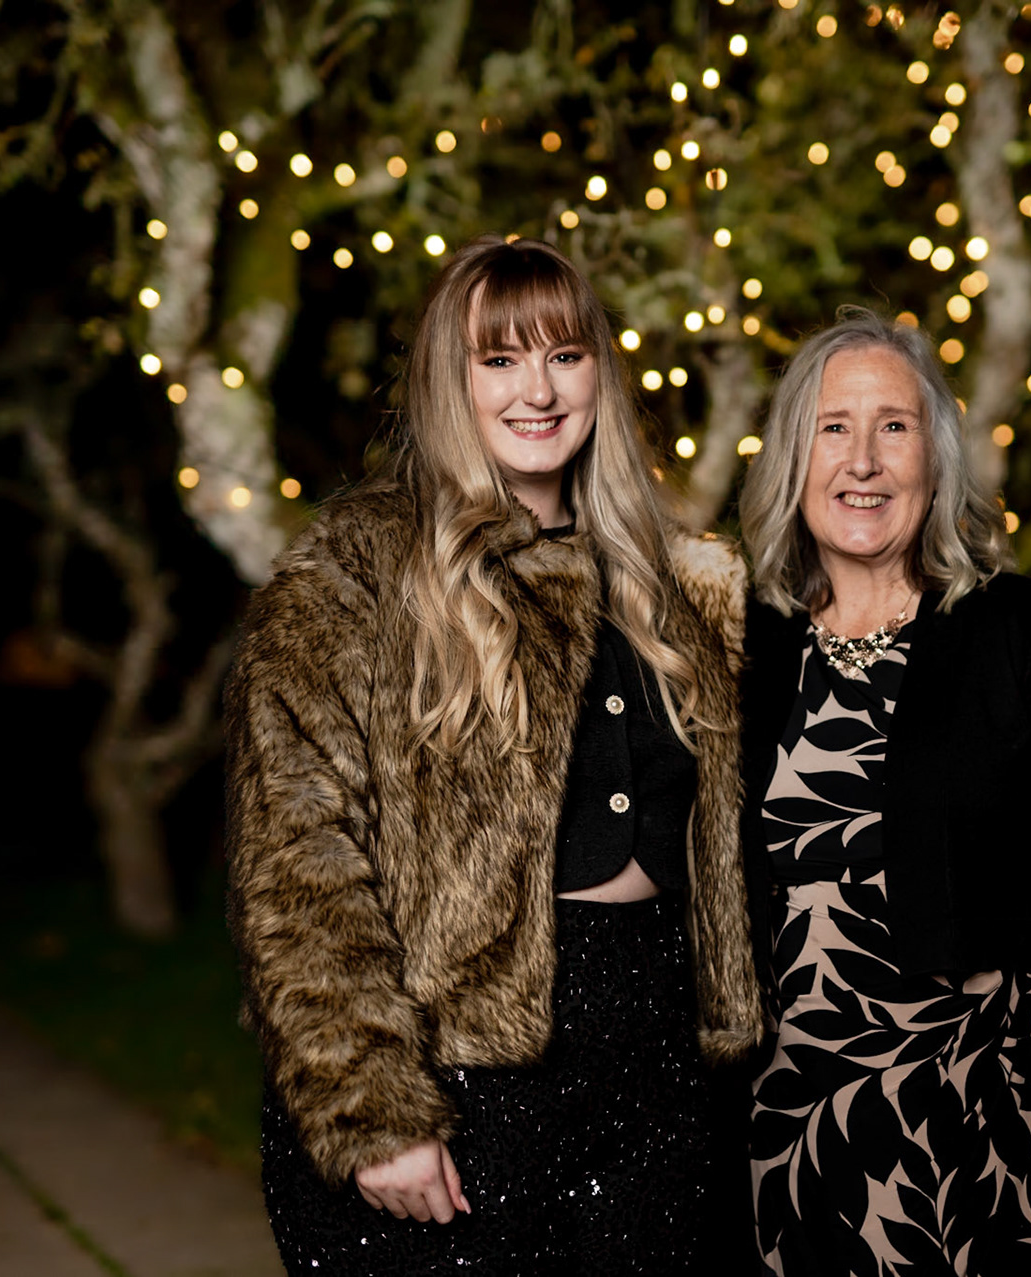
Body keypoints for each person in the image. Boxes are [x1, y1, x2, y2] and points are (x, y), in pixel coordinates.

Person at [225, 235, 763, 1275]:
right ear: (448, 377)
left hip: (658, 1090)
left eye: (565, 354)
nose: (538, 390)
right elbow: (297, 866)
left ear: (600, 371)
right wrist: (372, 1105)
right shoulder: (351, 579)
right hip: (457, 1095)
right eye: (500, 359)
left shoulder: (681, 585)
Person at [737, 308, 1031, 1275]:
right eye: (833, 427)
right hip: (795, 1127)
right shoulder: (742, 649)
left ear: (935, 460)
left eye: (893, 426)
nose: (862, 460)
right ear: (791, 459)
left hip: (995, 1119)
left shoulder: (1027, 631)